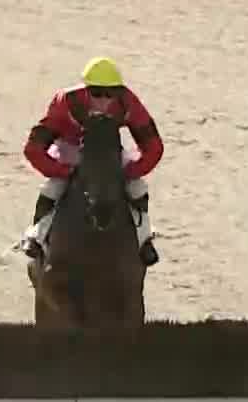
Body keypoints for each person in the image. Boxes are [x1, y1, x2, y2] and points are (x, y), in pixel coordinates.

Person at [20, 56, 164, 267]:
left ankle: (144, 240)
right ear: (85, 90)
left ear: (119, 92)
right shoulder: (65, 101)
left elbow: (152, 145)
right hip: (71, 150)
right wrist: (63, 170)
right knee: (53, 187)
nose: (104, 100)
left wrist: (131, 171)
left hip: (109, 152)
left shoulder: (127, 101)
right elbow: (33, 147)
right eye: (97, 93)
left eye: (110, 94)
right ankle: (36, 236)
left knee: (137, 186)